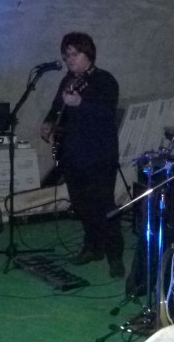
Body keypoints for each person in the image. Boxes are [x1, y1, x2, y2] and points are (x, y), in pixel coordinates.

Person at [40, 32, 124, 277]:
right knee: (81, 204)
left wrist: (80, 104)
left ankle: (115, 257)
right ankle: (92, 247)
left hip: (99, 155)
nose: (69, 59)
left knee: (104, 206)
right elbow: (57, 108)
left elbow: (106, 113)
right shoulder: (68, 80)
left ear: (88, 54)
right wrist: (48, 123)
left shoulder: (104, 80)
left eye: (74, 54)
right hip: (73, 154)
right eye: (66, 55)